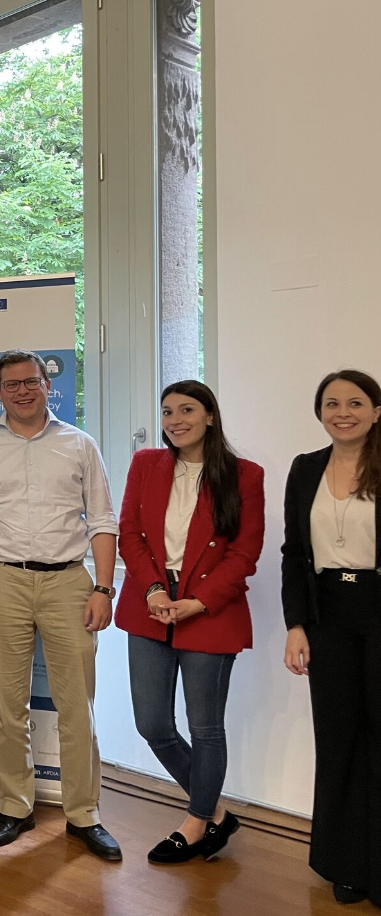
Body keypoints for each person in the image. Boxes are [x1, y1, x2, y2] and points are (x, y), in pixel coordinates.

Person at [0, 349, 122, 861]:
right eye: (12, 384)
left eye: (32, 381)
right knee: (8, 706)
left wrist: (103, 588)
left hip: (70, 583)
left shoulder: (80, 444)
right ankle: (15, 806)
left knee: (77, 706)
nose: (23, 391)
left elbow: (103, 520)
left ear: (49, 385)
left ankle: (84, 814)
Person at [117, 380, 264, 863]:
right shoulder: (146, 466)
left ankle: (197, 823)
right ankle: (217, 812)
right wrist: (155, 589)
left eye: (186, 410)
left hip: (209, 609)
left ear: (210, 417)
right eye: (166, 412)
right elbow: (130, 535)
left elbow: (244, 554)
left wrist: (197, 602)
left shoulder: (244, 475)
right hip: (151, 603)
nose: (175, 419)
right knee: (153, 723)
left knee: (205, 728)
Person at [282, 369, 381, 907]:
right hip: (328, 613)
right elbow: (294, 553)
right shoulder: (305, 469)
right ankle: (344, 864)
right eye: (332, 403)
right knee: (339, 737)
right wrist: (295, 624)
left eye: (356, 402)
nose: (343, 412)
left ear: (376, 411)